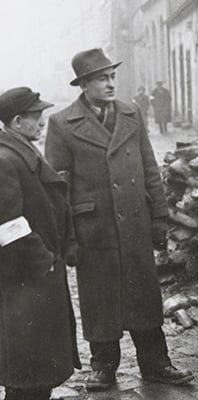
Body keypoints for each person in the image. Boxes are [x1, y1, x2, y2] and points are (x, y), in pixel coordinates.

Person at [45, 48, 193, 391]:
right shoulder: (62, 123)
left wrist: (159, 216)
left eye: (112, 76)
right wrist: (67, 237)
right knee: (100, 300)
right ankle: (104, 366)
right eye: (102, 78)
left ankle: (156, 363)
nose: (111, 83)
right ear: (83, 84)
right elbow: (58, 187)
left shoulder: (131, 112)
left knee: (144, 295)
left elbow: (149, 166)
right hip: (93, 228)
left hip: (134, 224)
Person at [0, 87, 81, 400]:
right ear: (18, 121)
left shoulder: (20, 150)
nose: (43, 121)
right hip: (25, 279)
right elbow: (7, 225)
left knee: (35, 374)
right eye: (37, 116)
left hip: (34, 279)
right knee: (26, 377)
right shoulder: (7, 159)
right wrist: (43, 260)